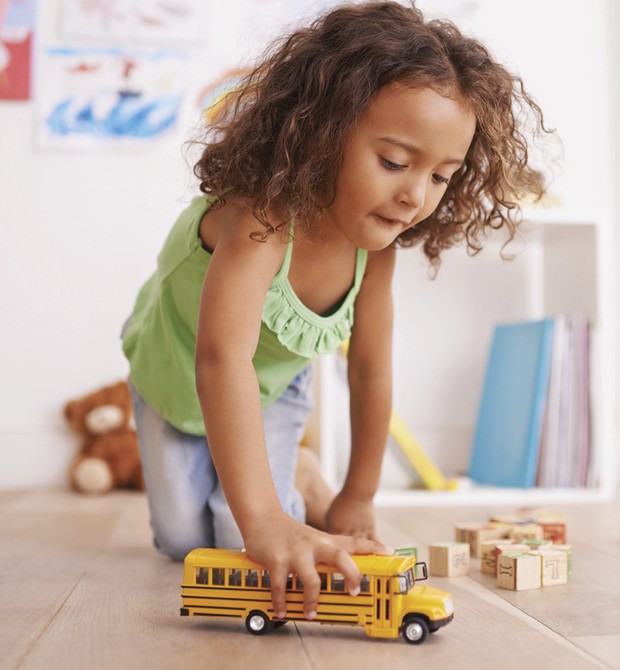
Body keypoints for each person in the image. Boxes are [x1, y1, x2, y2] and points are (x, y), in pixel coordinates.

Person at [122, 1, 549, 621]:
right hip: (178, 371)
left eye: (441, 177)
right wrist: (267, 516)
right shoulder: (261, 219)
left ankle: (302, 471)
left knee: (233, 547)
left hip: (270, 387)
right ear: (322, 132)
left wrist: (358, 493)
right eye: (396, 163)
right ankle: (283, 480)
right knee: (181, 540)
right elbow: (221, 359)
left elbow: (370, 370)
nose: (414, 196)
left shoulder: (376, 253)